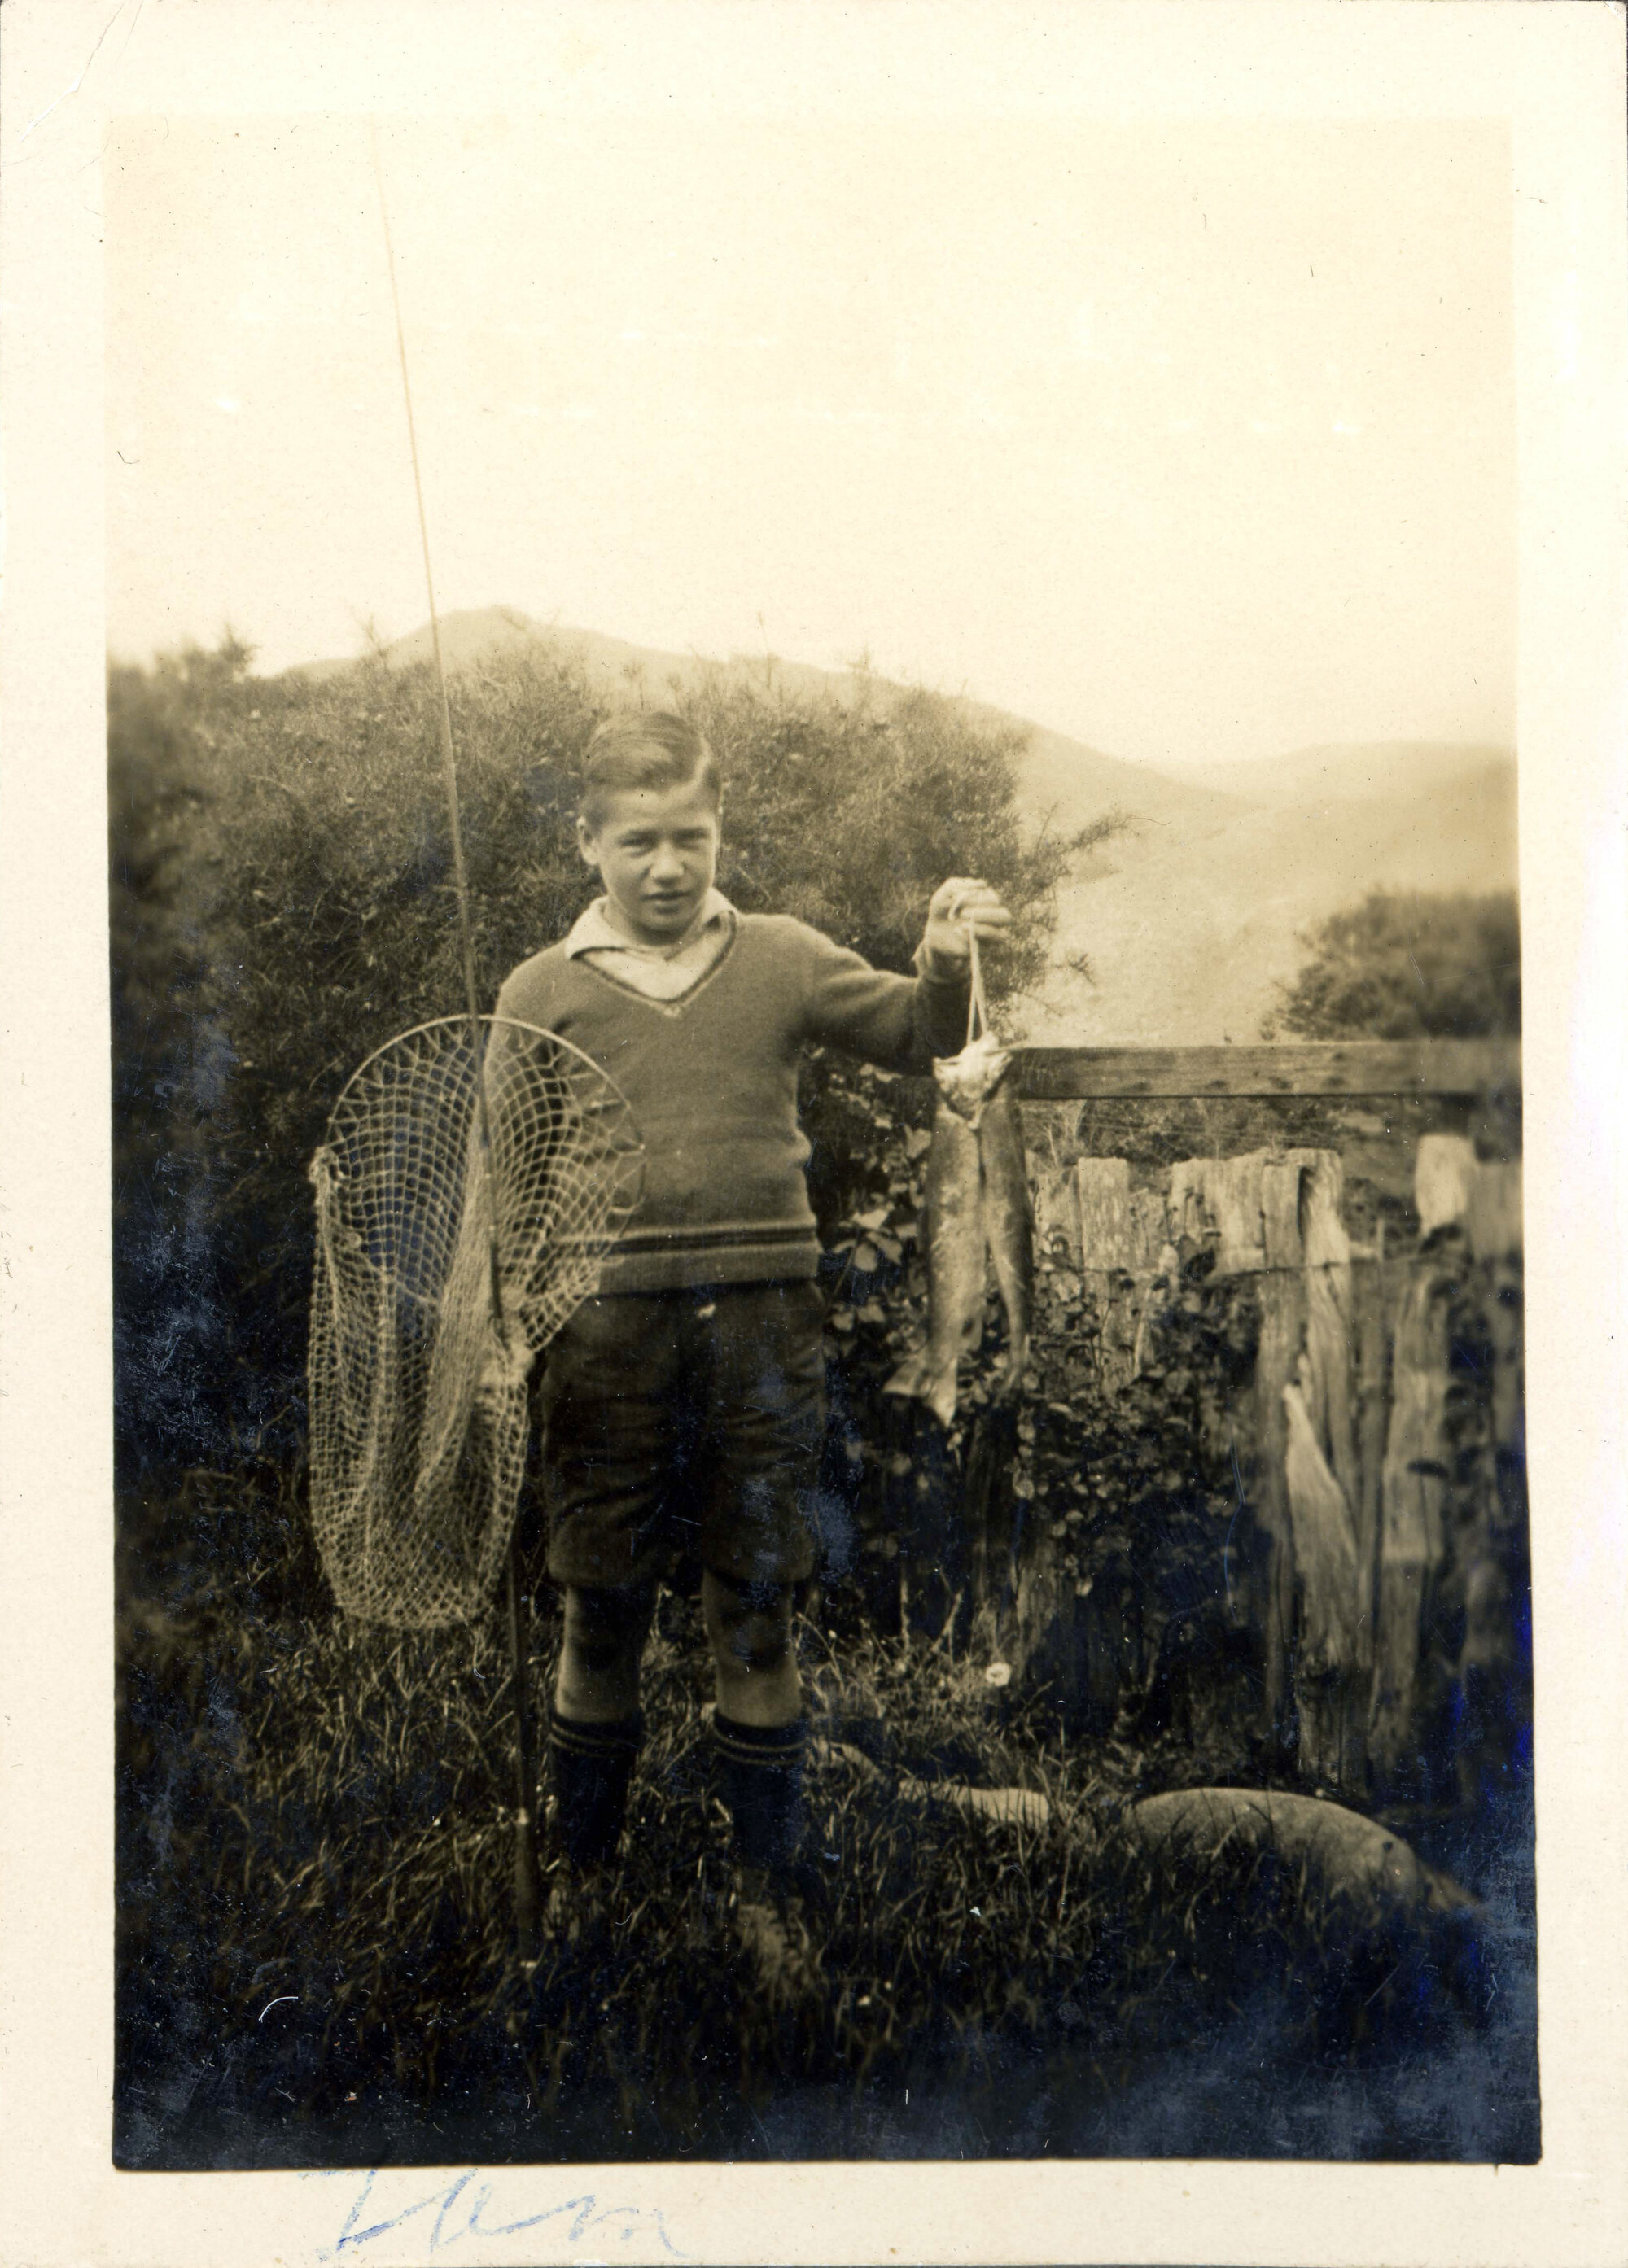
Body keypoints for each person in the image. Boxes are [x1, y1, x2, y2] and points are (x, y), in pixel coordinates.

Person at [493, 709, 1009, 1991]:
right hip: (602, 1340)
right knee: (600, 1609)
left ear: (721, 832)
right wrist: (503, 1327)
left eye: (692, 838)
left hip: (766, 1332)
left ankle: (765, 1900)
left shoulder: (781, 958)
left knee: (759, 1612)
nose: (668, 867)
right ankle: (582, 1883)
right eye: (638, 842)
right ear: (589, 843)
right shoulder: (538, 992)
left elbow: (923, 1039)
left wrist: (943, 960)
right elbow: (503, 1180)